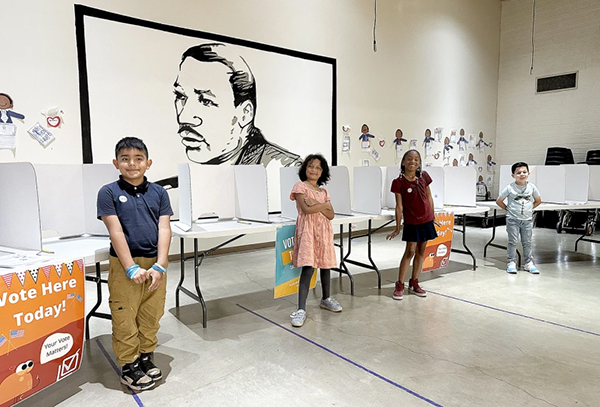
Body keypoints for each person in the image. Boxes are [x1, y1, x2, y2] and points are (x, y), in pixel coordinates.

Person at [97, 137, 173, 391]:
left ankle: (145, 355)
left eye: (138, 158)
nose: (132, 164)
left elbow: (164, 228)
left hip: (154, 265)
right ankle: (129, 364)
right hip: (125, 264)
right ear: (116, 163)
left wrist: (161, 264)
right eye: (125, 159)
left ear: (148, 163)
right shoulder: (108, 192)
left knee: (151, 313)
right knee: (125, 315)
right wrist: (130, 266)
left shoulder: (159, 192)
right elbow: (115, 231)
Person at [173, 43, 301, 167]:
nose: (183, 118)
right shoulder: (175, 185)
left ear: (245, 113)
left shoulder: (284, 170)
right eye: (180, 96)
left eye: (206, 101)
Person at [289, 153, 342, 327]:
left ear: (322, 172)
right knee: (308, 267)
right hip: (308, 231)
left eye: (318, 168)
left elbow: (331, 214)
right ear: (305, 168)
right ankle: (301, 309)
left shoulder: (323, 191)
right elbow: (306, 209)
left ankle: (326, 298)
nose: (314, 170)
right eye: (311, 166)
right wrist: (323, 206)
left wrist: (318, 204)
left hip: (324, 232)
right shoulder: (300, 187)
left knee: (325, 265)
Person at [386, 149, 437, 300]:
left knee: (421, 251)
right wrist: (397, 227)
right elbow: (399, 206)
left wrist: (432, 216)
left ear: (419, 163)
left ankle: (414, 283)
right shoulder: (398, 182)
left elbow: (429, 197)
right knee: (410, 251)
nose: (412, 162)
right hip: (412, 222)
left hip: (426, 220)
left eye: (416, 160)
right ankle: (399, 284)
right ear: (403, 162)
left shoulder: (424, 177)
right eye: (409, 159)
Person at [496, 162, 542, 274]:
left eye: (524, 172)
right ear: (513, 175)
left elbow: (538, 200)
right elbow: (499, 201)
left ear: (528, 173)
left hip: (527, 220)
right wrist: (508, 209)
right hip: (512, 220)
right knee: (512, 241)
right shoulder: (509, 188)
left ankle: (528, 263)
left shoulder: (532, 187)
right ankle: (511, 262)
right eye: (518, 173)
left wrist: (530, 208)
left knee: (527, 242)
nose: (522, 174)